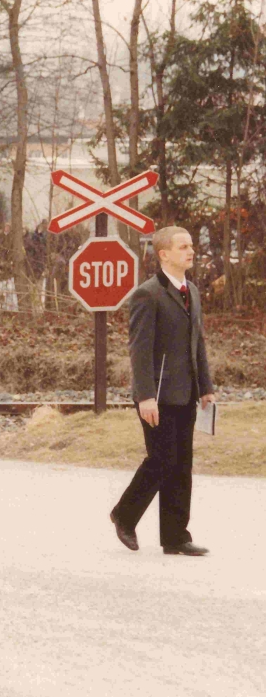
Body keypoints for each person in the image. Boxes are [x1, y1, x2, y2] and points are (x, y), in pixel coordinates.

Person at [110, 227, 214, 557]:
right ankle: (124, 515)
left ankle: (175, 537)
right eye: (183, 246)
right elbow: (139, 350)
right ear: (164, 254)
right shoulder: (148, 294)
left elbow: (197, 344)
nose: (191, 251)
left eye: (191, 246)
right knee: (160, 460)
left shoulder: (192, 291)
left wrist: (206, 387)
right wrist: (144, 396)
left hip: (186, 394)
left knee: (182, 464)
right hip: (156, 395)